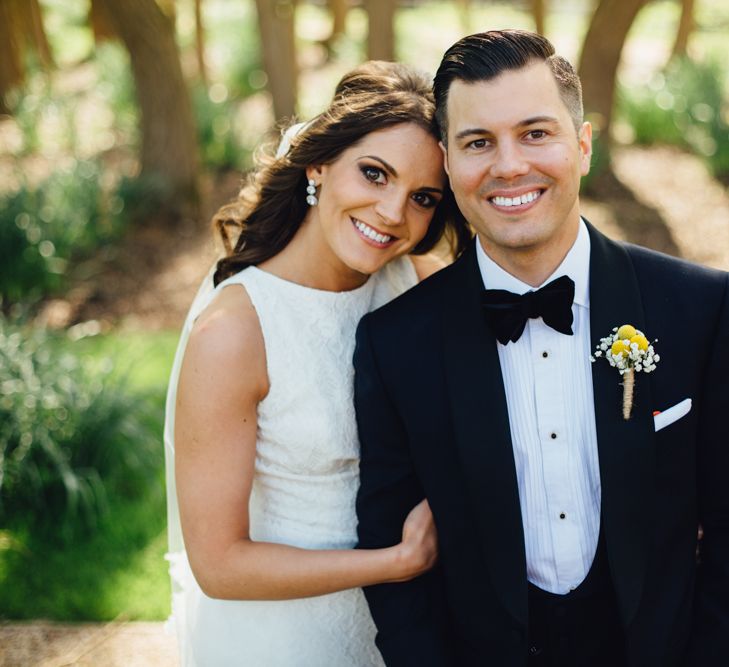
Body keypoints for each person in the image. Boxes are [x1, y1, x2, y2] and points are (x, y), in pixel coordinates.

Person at [354, 30, 729, 667]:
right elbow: (396, 569)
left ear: (582, 146)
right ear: (447, 164)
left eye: (535, 133)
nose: (508, 167)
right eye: (478, 143)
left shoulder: (700, 308)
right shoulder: (396, 343)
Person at [163, 60, 471, 666]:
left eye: (423, 198)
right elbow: (219, 564)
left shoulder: (416, 284)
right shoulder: (234, 333)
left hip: (409, 631)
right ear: (319, 163)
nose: (391, 212)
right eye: (374, 173)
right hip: (286, 637)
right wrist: (395, 563)